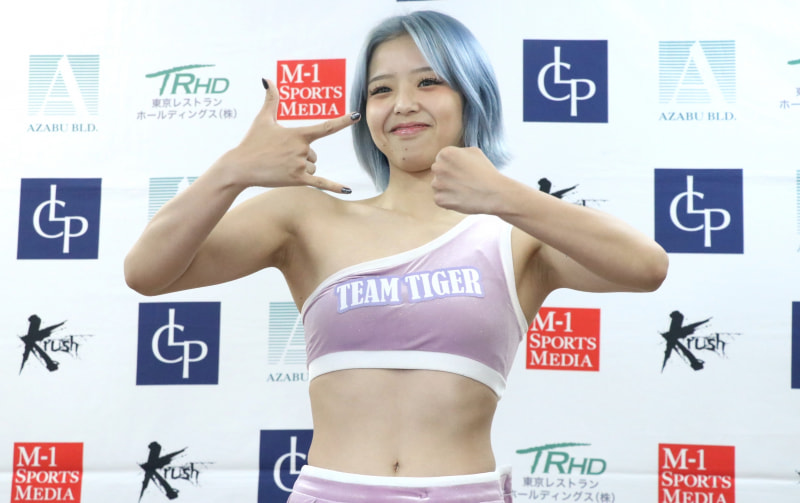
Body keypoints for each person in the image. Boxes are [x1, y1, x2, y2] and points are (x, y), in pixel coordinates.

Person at [124, 10, 668, 503]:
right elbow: (146, 273)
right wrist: (230, 172)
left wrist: (504, 195)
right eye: (381, 90)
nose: (404, 103)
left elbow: (646, 267)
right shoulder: (305, 216)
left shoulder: (518, 233)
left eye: (429, 81)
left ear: (471, 95)